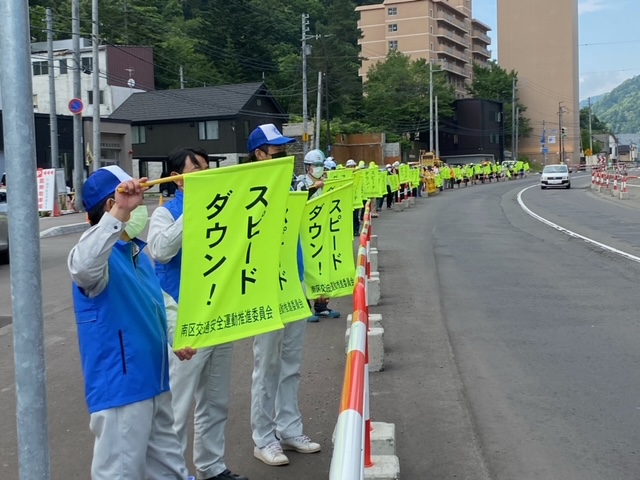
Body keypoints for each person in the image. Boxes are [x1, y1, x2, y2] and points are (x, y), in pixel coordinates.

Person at [68, 166, 195, 480]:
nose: (141, 208)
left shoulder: (136, 252)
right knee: (121, 473)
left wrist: (176, 336)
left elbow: (158, 304)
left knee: (170, 469)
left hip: (153, 380)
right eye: (132, 198)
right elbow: (83, 269)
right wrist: (119, 214)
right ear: (113, 205)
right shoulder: (95, 254)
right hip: (121, 387)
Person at [147, 148, 247, 480]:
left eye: (206, 167)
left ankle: (211, 467)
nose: (204, 173)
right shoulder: (165, 213)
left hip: (218, 313)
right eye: (196, 169)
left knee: (215, 401)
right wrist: (194, 210)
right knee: (177, 405)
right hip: (184, 317)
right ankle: (173, 473)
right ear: (177, 178)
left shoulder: (222, 209)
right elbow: (160, 252)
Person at [246, 124, 322, 467]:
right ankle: (264, 438)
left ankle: (289, 428)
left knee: (291, 363)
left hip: (293, 281)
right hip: (263, 288)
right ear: (259, 154)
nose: (284, 155)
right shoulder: (246, 187)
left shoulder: (293, 186)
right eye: (276, 150)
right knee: (267, 365)